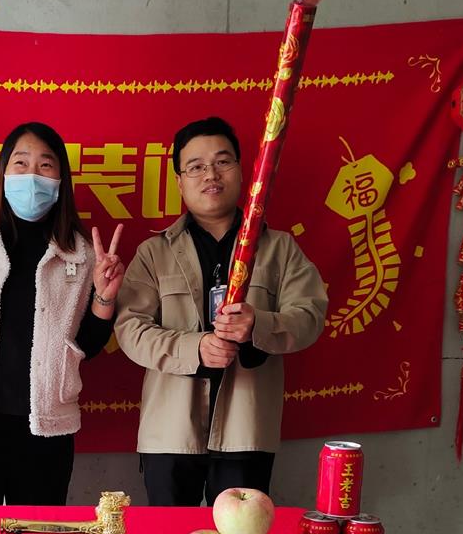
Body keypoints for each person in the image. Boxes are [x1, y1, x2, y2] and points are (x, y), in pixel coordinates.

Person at [115, 116, 327, 506]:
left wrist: (259, 324)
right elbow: (130, 329)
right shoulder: (154, 252)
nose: (211, 174)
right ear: (179, 181)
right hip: (169, 432)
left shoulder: (279, 248)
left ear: (242, 171)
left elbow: (310, 315)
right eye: (195, 166)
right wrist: (195, 348)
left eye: (222, 162)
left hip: (247, 430)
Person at [0, 121, 126, 505]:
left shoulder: (80, 252)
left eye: (45, 165)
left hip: (44, 429)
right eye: (21, 163)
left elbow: (87, 345)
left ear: (60, 179)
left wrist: (105, 298)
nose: (32, 175)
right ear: (3, 172)